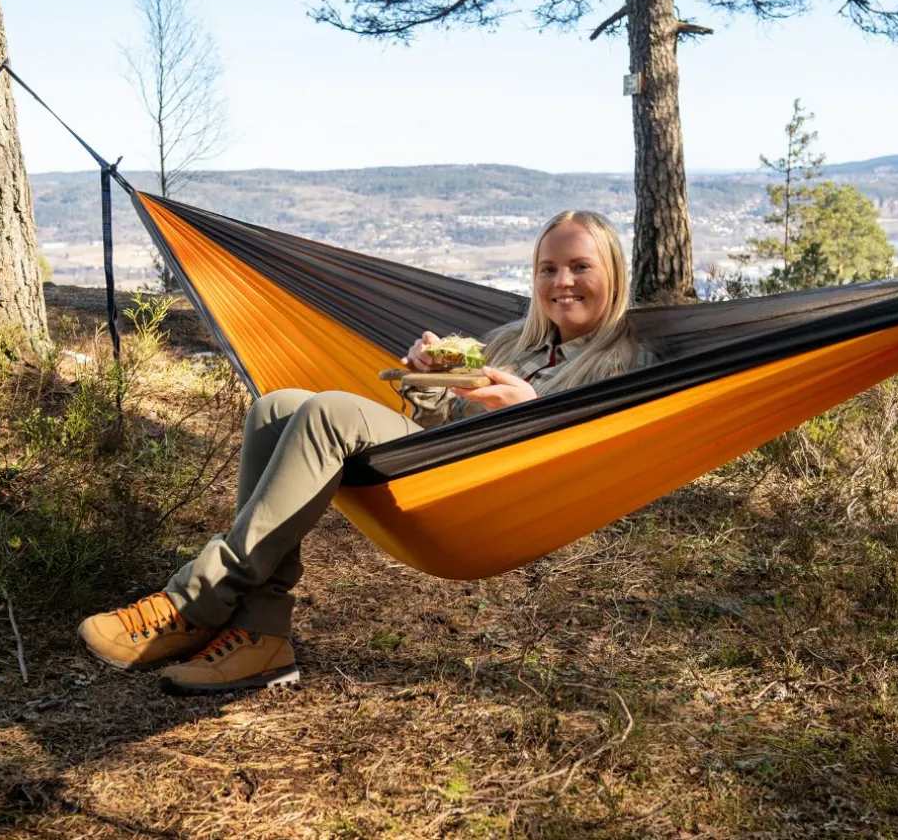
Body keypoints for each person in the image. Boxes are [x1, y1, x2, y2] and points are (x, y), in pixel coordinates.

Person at [78, 210, 652, 694]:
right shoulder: (509, 341)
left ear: (614, 274)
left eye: (581, 267)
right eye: (548, 268)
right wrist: (427, 380)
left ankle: (196, 601)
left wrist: (532, 411)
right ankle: (261, 633)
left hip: (494, 497)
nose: (562, 282)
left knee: (330, 413)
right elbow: (437, 422)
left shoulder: (626, 365)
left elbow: (597, 457)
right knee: (274, 407)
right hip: (438, 467)